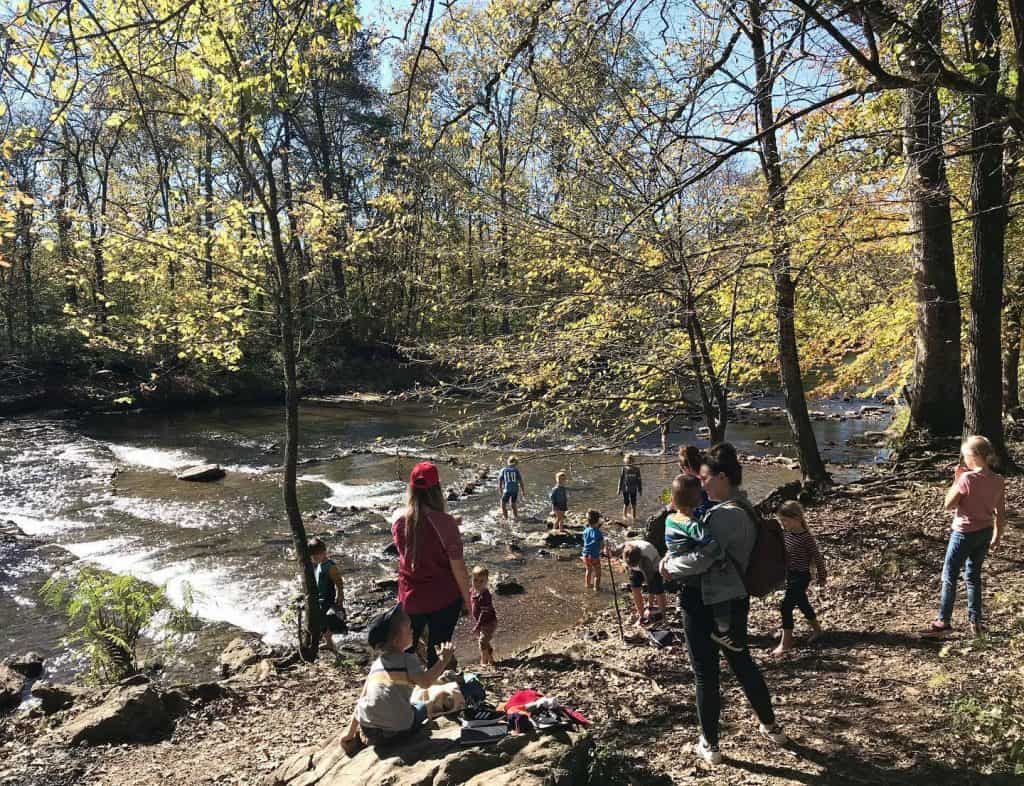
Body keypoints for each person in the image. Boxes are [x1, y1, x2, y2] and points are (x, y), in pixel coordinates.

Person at [661, 443, 786, 765]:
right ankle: (771, 726)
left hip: (704, 601)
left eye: (704, 478)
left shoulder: (722, 516)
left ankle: (711, 745)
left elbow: (701, 559)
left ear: (722, 477)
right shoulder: (745, 507)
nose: (700, 484)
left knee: (705, 675)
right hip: (735, 601)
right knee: (742, 663)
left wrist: (667, 567)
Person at [339, 605, 456, 755]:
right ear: (395, 641)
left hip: (369, 731)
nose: (413, 630)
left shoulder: (376, 664)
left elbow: (362, 698)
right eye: (409, 629)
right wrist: (443, 660)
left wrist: (349, 733)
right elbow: (425, 682)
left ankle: (358, 740)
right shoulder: (408, 659)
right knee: (420, 706)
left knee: (380, 704)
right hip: (396, 731)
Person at [392, 461, 472, 666]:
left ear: (411, 489)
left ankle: (406, 690)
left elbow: (417, 535)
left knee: (405, 650)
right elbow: (459, 569)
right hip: (443, 599)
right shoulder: (446, 523)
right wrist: (467, 600)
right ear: (437, 490)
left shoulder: (397, 519)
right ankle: (437, 690)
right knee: (438, 650)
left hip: (410, 598)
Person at [926, 435, 1006, 637]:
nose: (965, 460)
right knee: (973, 577)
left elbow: (948, 505)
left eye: (966, 456)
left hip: (963, 533)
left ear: (975, 456)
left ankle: (944, 620)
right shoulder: (998, 480)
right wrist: (997, 535)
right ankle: (975, 621)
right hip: (985, 532)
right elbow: (1001, 513)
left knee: (949, 575)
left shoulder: (967, 478)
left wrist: (956, 481)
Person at [664, 475, 736, 650]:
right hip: (692, 567)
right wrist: (720, 557)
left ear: (672, 500)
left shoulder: (670, 519)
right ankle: (722, 627)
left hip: (676, 560)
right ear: (697, 501)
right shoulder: (693, 525)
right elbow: (711, 545)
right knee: (718, 593)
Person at [772, 501, 825, 655]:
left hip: (801, 576)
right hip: (790, 575)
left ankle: (786, 641)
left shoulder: (806, 537)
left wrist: (822, 576)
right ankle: (818, 630)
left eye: (785, 521)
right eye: (781, 521)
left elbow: (818, 557)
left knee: (786, 607)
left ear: (797, 518)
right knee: (802, 603)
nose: (783, 524)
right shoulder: (785, 533)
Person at [309, 537, 347, 653]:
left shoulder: (330, 566)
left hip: (327, 598)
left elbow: (339, 583)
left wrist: (340, 597)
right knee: (322, 621)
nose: (314, 558)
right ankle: (328, 640)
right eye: (313, 556)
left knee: (323, 620)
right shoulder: (320, 564)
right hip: (320, 597)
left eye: (317, 555)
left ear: (324, 552)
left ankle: (330, 642)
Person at [622, 540, 668, 625]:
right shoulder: (625, 549)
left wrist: (650, 605)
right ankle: (641, 616)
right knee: (635, 589)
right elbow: (614, 553)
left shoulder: (647, 556)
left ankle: (663, 617)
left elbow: (649, 580)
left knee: (657, 590)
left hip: (653, 565)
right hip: (635, 564)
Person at [470, 565, 498, 667]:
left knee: (482, 642)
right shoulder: (473, 591)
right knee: (485, 642)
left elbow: (484, 613)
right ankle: (491, 660)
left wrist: (477, 626)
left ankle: (484, 662)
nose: (478, 583)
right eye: (475, 580)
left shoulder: (485, 595)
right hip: (481, 622)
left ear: (486, 582)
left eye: (481, 581)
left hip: (489, 622)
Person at [678, 444, 711, 520]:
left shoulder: (700, 485)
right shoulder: (708, 474)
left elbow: (704, 510)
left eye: (681, 469)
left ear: (687, 468)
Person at [581, 509, 606, 591]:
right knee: (597, 573)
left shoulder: (585, 530)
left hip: (585, 555)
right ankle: (596, 587)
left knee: (588, 570)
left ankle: (587, 584)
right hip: (594, 556)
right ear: (598, 521)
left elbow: (585, 541)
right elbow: (602, 545)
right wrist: (602, 549)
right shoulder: (598, 532)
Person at [498, 456, 526, 523]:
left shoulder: (503, 470)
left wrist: (500, 490)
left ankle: (506, 518)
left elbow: (500, 481)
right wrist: (523, 491)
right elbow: (521, 481)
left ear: (508, 462)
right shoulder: (516, 470)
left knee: (503, 504)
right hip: (515, 490)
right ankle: (516, 517)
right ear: (515, 463)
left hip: (507, 490)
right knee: (513, 504)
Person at [618, 454, 643, 523]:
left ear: (633, 462)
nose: (628, 465)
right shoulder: (624, 469)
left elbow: (639, 480)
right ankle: (624, 515)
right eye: (627, 463)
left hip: (633, 489)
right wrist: (619, 489)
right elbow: (621, 479)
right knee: (626, 503)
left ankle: (634, 517)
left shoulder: (637, 469)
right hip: (625, 489)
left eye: (629, 463)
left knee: (634, 503)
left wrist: (640, 489)